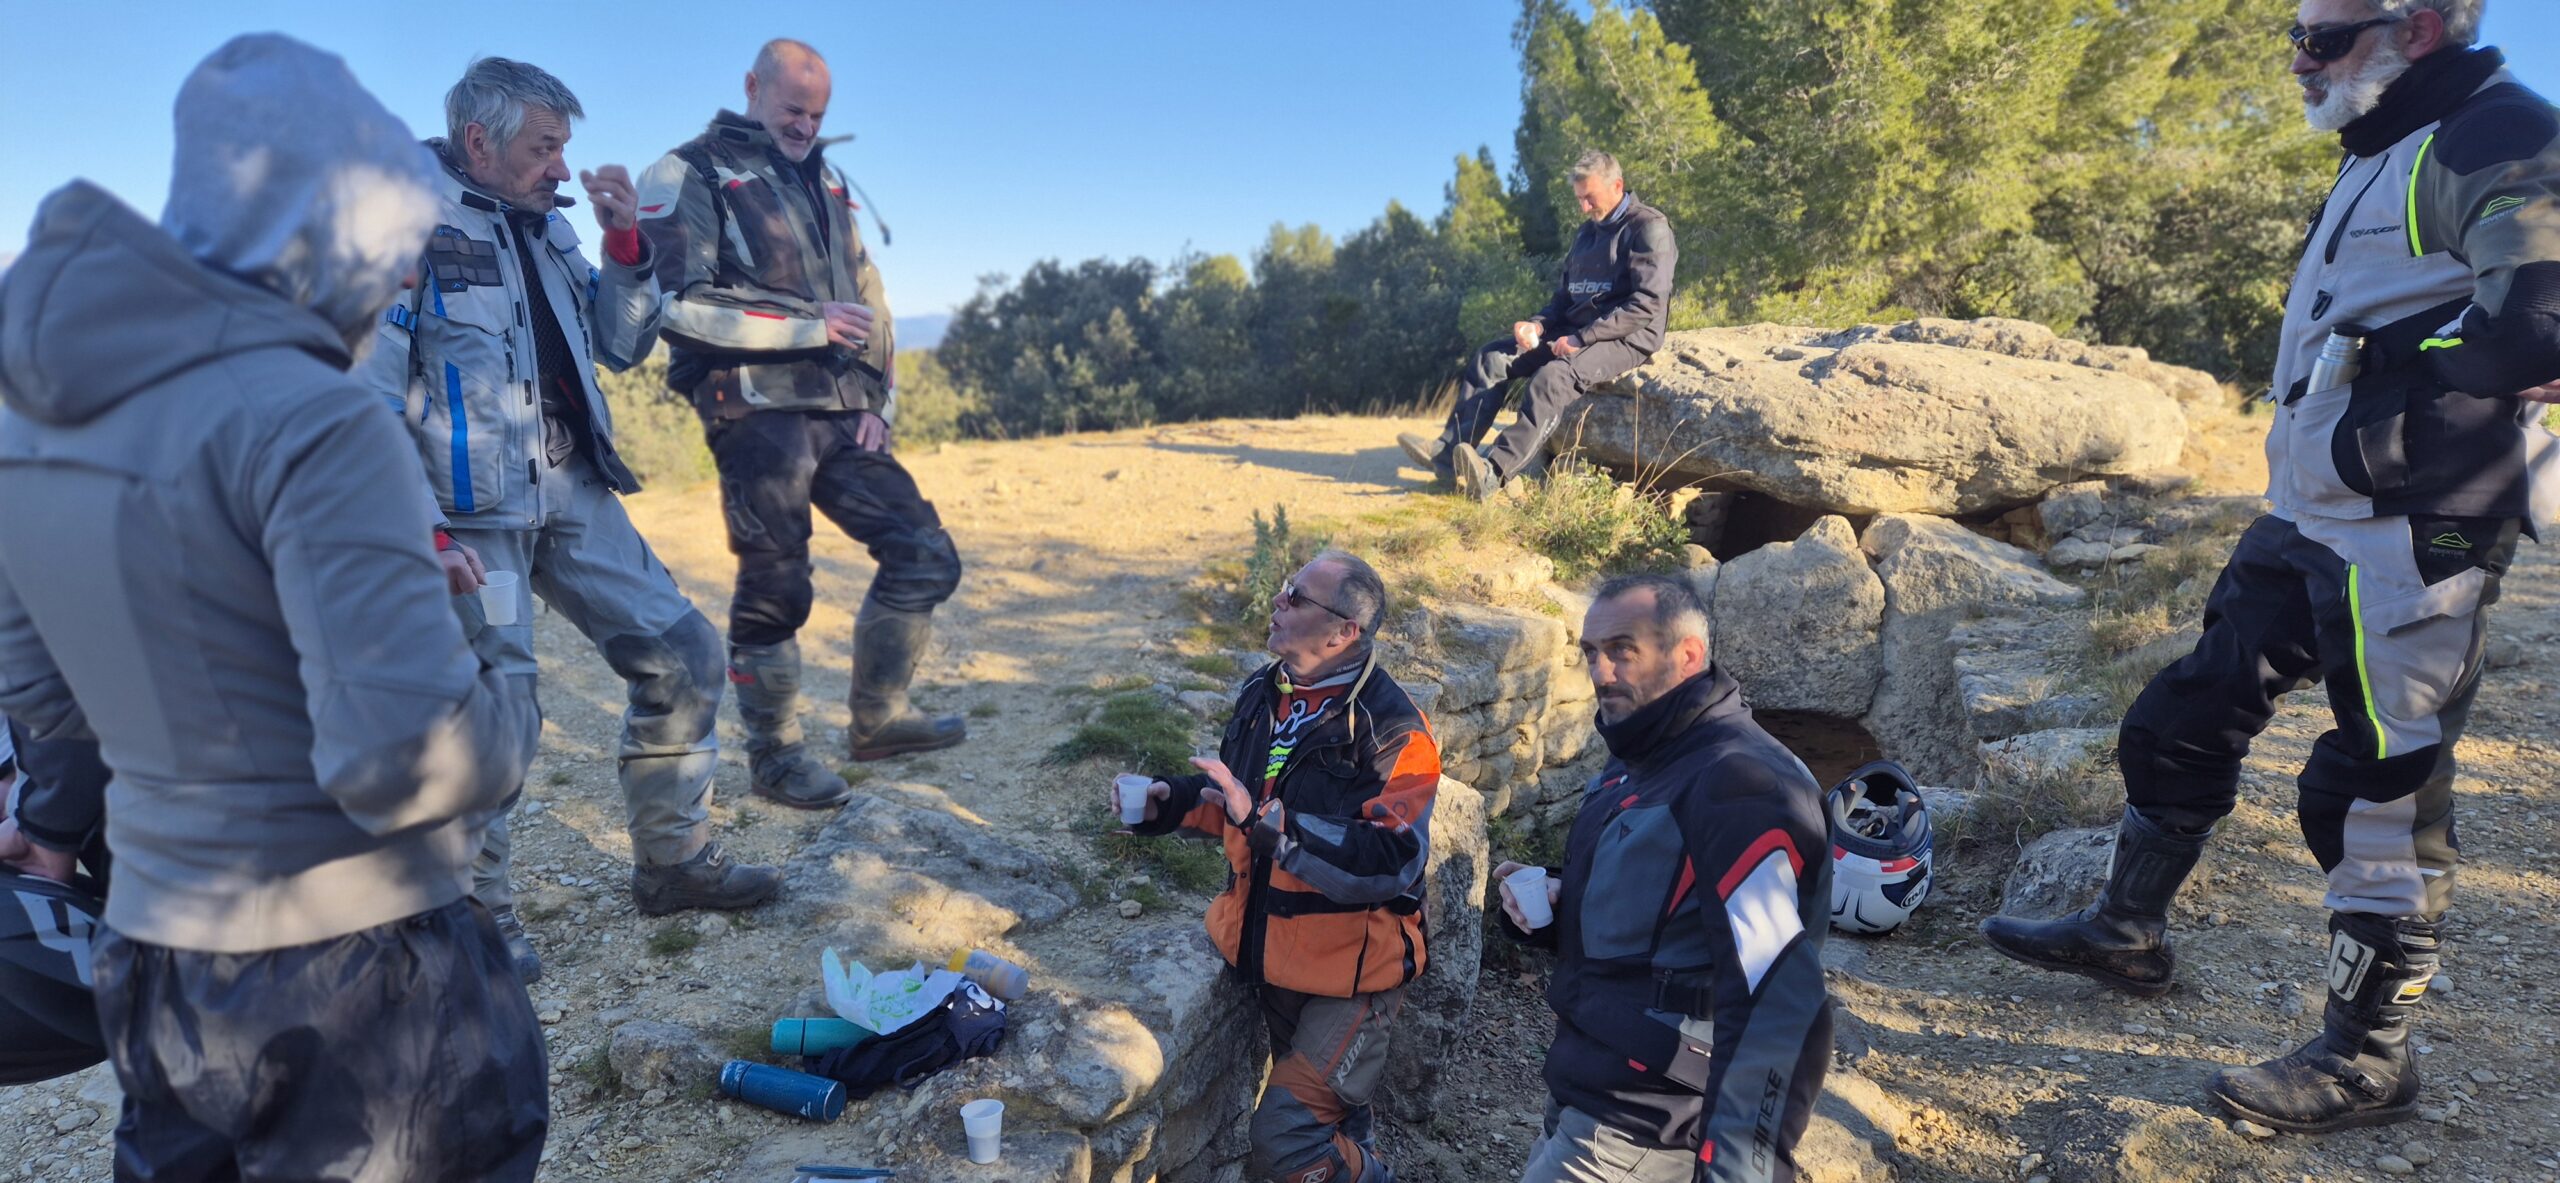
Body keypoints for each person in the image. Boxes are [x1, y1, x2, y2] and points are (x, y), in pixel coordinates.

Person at [1980, 0, 2560, 1134]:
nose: (2299, 59)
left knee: (2374, 790)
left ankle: (2365, 1062)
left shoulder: (2492, 131)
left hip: (2412, 524)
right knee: (2180, 715)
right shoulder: (2382, 140)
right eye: (2290, 35)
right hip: (2306, 508)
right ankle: (2123, 930)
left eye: (2325, 37)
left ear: (2423, 28)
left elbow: (2540, 312)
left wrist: (2423, 372)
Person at [0, 34, 549, 1176]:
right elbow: (401, 760)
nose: (405, 280)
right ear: (331, 224)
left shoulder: (32, 420)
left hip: (155, 961)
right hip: (358, 972)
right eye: (399, 246)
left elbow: (46, 697)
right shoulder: (317, 417)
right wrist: (493, 671)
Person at [360, 56, 779, 982]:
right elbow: (366, 397)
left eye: (564, 147)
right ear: (480, 141)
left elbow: (620, 344)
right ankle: (475, 922)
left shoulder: (548, 228)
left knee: (684, 651)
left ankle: (673, 863)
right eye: (544, 146)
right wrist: (418, 530)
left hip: (571, 488)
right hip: (467, 520)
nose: (561, 167)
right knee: (497, 714)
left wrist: (627, 245)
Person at [630, 38, 965, 804]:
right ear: (751, 87)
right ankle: (775, 758)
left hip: (843, 411)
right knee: (776, 582)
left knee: (925, 553)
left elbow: (871, 300)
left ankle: (877, 720)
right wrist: (810, 325)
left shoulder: (828, 183)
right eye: (793, 110)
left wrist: (880, 401)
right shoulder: (689, 170)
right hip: (752, 408)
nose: (807, 126)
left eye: (818, 114)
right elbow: (674, 307)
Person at [1494, 574, 1833, 1182]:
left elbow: (1778, 998)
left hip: (1650, 1119)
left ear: (1688, 656)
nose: (1600, 673)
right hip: (1589, 1085)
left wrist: (1741, 1169)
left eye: (1624, 650)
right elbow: (1666, 906)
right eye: (1591, 653)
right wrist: (1559, 899)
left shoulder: (1741, 785)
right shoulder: (1642, 754)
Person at [1117, 550, 1438, 1183]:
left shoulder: (1396, 731)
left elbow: (1389, 859)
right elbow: (1237, 804)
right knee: (1333, 1122)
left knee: (1288, 1137)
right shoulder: (1265, 692)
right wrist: (1170, 800)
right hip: (1272, 958)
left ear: (1343, 631)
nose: (1276, 600)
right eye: (1284, 589)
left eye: (1294, 596)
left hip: (1351, 978)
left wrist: (1268, 823)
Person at [1398, 150, 1677, 501]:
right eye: (1579, 199)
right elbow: (1563, 299)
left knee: (1552, 379)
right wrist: (1537, 326)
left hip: (1628, 335)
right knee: (1492, 358)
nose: (1584, 208)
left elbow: (1646, 305)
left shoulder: (1648, 227)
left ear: (1617, 185)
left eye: (1589, 198)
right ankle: (1447, 457)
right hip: (1577, 331)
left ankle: (1493, 473)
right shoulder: (1585, 235)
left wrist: (1582, 338)